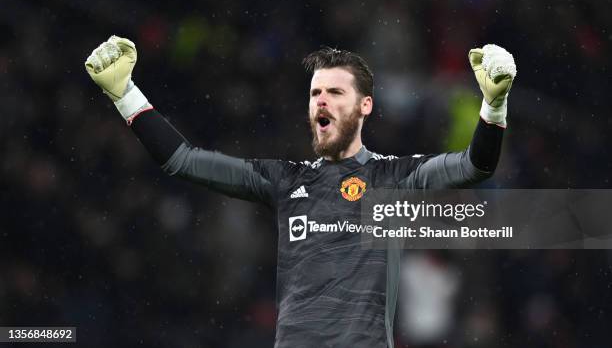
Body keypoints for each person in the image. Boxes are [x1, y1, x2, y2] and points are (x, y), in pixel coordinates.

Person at [85, 37, 516, 347]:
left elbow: (475, 165)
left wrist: (493, 105)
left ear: (365, 105)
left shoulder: (394, 177)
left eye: (334, 92)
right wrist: (125, 95)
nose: (321, 102)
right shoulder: (286, 181)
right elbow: (183, 160)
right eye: (315, 93)